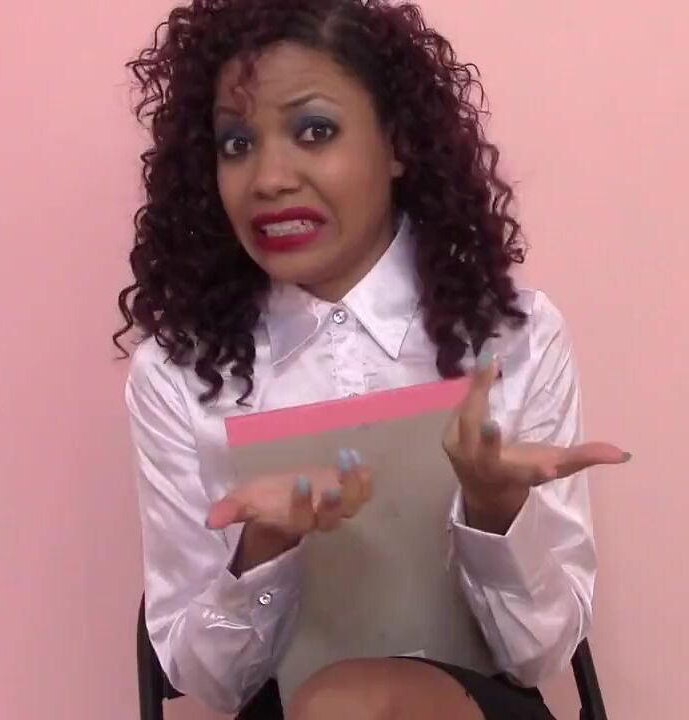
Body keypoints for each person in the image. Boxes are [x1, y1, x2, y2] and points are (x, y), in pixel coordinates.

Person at [114, 1, 629, 718]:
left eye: (314, 130)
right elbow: (214, 685)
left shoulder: (516, 336)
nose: (268, 178)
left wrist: (495, 510)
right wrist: (263, 547)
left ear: (396, 143)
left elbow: (539, 655)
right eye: (236, 143)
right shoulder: (176, 376)